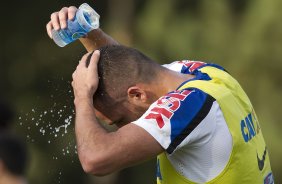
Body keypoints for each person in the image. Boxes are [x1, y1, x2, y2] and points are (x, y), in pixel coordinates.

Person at [46, 6, 274, 184]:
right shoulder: (202, 73)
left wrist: (82, 97)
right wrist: (86, 31)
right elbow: (128, 67)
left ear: (137, 95)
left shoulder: (189, 109)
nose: (123, 131)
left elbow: (94, 160)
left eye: (119, 121)